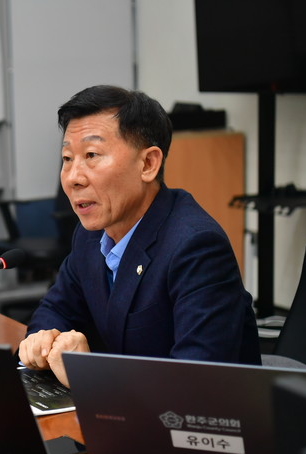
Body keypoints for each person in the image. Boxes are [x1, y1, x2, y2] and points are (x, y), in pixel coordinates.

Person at [18, 85, 260, 387]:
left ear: (148, 164)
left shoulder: (196, 247)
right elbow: (55, 309)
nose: (73, 178)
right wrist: (42, 341)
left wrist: (89, 374)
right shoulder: (91, 235)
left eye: (91, 155)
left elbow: (196, 383)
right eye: (67, 158)